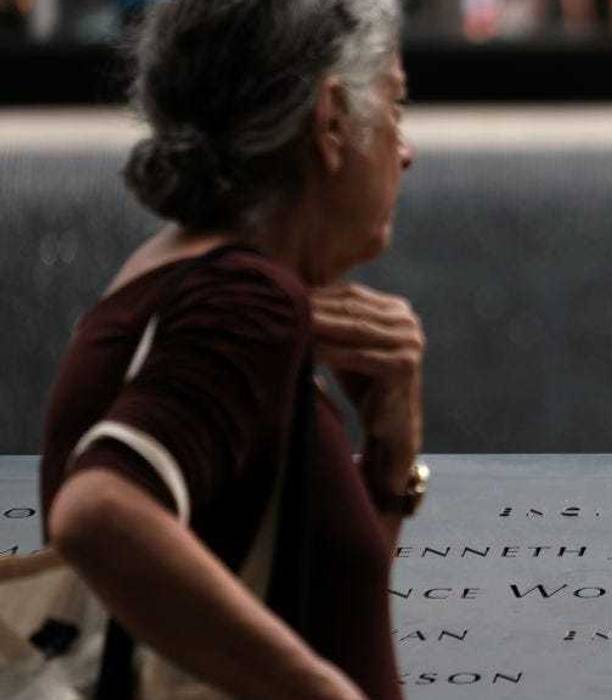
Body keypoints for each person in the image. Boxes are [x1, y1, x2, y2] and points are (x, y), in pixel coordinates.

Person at [38, 1, 421, 699]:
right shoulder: (245, 299)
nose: (406, 149)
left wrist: (390, 466)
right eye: (394, 105)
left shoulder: (172, 278)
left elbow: (317, 610)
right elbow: (97, 512)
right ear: (332, 120)